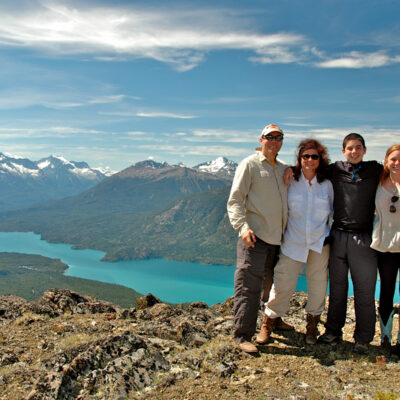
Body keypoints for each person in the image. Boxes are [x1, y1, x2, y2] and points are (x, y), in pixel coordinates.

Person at [259, 139, 333, 345]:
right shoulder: (290, 180)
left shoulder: (328, 184)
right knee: (283, 282)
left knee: (318, 285)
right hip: (293, 240)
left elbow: (336, 211)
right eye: (305, 156)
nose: (310, 160)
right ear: (299, 159)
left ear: (321, 159)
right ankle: (268, 322)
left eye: (314, 156)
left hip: (320, 242)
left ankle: (312, 326)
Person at [227, 123, 293, 353]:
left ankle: (273, 320)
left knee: (273, 285)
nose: (274, 141)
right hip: (254, 236)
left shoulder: (283, 168)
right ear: (261, 139)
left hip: (278, 237)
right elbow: (235, 200)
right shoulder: (250, 165)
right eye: (269, 137)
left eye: (279, 137)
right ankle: (243, 335)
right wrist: (242, 228)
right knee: (248, 285)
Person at [317, 133, 382, 353]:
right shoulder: (334, 169)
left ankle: (363, 338)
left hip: (363, 238)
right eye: (350, 148)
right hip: (337, 236)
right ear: (343, 150)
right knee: (337, 288)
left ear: (364, 150)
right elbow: (308, 165)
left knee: (364, 291)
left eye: (358, 148)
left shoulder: (375, 170)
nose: (354, 152)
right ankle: (333, 331)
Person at [371, 144, 400, 355]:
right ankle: (386, 337)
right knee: (387, 290)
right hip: (384, 245)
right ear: (386, 160)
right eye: (394, 159)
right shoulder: (377, 181)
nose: (397, 164)